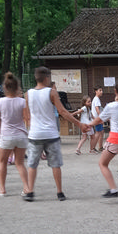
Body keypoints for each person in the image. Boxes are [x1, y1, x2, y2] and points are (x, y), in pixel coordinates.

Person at [23, 66, 85, 202]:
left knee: (32, 164)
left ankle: (30, 192)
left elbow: (26, 116)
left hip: (35, 134)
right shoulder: (52, 93)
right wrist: (79, 124)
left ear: (35, 78)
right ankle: (59, 192)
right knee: (55, 164)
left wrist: (30, 127)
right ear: (47, 78)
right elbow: (62, 111)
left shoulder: (28, 94)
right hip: (51, 133)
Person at [0, 72, 29, 196]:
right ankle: (27, 188)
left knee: (2, 162)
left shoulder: (0, 102)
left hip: (6, 135)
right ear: (17, 87)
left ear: (4, 88)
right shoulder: (22, 102)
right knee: (20, 163)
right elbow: (26, 118)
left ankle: (2, 189)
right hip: (21, 135)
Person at [91, 86, 104, 152]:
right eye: (100, 90)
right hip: (97, 118)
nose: (101, 92)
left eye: (101, 90)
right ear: (96, 91)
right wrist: (100, 118)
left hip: (97, 118)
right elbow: (97, 109)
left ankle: (100, 147)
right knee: (98, 133)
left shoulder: (96, 99)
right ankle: (93, 148)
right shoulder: (96, 99)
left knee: (101, 132)